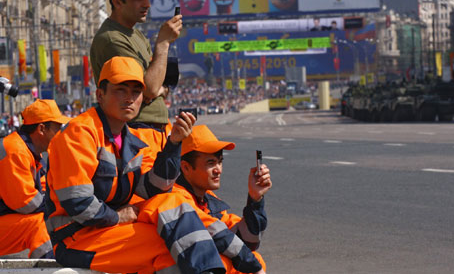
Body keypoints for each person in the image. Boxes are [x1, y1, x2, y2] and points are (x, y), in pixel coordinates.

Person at [45, 56, 225, 274]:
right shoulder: (80, 132)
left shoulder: (128, 138)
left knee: (178, 236)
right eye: (121, 90)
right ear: (100, 95)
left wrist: (174, 144)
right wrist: (117, 217)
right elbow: (78, 201)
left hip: (106, 232)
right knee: (173, 247)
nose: (129, 98)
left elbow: (153, 188)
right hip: (75, 239)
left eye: (136, 92)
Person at [90, 0, 182, 148]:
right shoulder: (112, 39)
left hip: (152, 129)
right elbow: (149, 89)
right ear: (117, 1)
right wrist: (163, 43)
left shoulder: (136, 35)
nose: (147, 4)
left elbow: (153, 84)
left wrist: (159, 89)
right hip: (137, 130)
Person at [176, 125, 273, 274]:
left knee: (254, 258)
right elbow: (217, 235)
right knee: (225, 263)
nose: (219, 169)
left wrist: (255, 198)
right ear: (186, 167)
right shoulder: (176, 198)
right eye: (210, 163)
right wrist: (255, 267)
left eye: (220, 161)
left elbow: (247, 241)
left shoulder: (207, 199)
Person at [0, 99, 70, 259]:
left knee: (52, 219)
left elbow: (46, 190)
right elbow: (25, 202)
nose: (60, 133)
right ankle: (49, 267)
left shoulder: (30, 152)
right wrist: (60, 207)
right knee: (39, 226)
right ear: (41, 129)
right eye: (57, 128)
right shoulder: (15, 150)